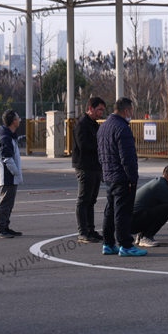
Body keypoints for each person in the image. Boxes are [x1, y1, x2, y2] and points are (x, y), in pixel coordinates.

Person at [96, 97, 146, 257]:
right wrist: (133, 178)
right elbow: (128, 158)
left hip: (109, 175)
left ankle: (108, 243)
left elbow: (101, 154)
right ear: (126, 111)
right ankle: (125, 244)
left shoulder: (103, 127)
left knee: (110, 211)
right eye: (131, 111)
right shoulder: (122, 128)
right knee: (123, 212)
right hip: (122, 177)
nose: (132, 113)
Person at [72, 96, 106, 243]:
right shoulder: (82, 124)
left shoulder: (94, 124)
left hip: (95, 167)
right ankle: (83, 232)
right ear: (90, 108)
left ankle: (91, 230)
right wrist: (101, 147)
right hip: (85, 167)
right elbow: (83, 145)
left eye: (103, 110)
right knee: (83, 200)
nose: (101, 113)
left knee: (92, 200)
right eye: (99, 110)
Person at [0, 109, 23, 238]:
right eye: (18, 118)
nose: (20, 120)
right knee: (5, 202)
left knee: (9, 203)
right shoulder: (5, 138)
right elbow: (8, 159)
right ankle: (0, 229)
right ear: (13, 122)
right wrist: (16, 173)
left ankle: (5, 226)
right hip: (8, 177)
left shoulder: (9, 136)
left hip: (10, 177)